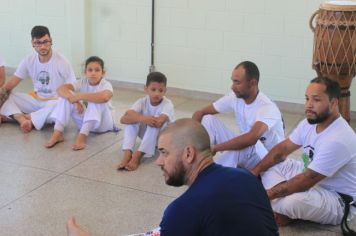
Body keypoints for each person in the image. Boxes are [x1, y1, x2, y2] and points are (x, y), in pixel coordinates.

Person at [67, 118, 279, 236]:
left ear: (188, 153)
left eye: (164, 153)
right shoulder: (246, 178)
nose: (159, 161)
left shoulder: (184, 208)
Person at [251, 77, 356, 226]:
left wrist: (264, 196)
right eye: (307, 99)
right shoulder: (310, 122)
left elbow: (307, 179)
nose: (309, 105)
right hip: (310, 176)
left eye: (316, 100)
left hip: (338, 199)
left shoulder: (339, 138)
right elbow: (282, 150)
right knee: (269, 164)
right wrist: (254, 172)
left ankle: (284, 209)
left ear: (333, 103)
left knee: (292, 202)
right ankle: (282, 210)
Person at [192, 61, 284, 170]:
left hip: (268, 159)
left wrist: (216, 148)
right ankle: (200, 162)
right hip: (249, 150)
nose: (232, 87)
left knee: (244, 143)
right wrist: (191, 139)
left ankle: (214, 175)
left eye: (237, 82)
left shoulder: (267, 107)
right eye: (233, 81)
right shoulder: (235, 97)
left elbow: (251, 138)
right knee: (207, 119)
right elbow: (200, 112)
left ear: (252, 83)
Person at [0, 25, 76, 133]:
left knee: (64, 104)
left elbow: (72, 86)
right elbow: (11, 83)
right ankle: (23, 119)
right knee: (8, 95)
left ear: (51, 41)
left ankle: (26, 118)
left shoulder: (62, 61)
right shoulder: (28, 60)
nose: (42, 46)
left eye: (45, 42)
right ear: (32, 43)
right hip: (36, 100)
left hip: (54, 102)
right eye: (38, 43)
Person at [45, 56, 115, 150]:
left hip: (102, 124)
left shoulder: (106, 84)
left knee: (96, 100)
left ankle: (82, 137)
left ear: (103, 73)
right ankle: (58, 133)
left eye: (97, 70)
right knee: (65, 97)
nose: (93, 73)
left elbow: (105, 97)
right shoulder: (82, 82)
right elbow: (60, 89)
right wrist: (75, 101)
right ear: (85, 73)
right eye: (90, 70)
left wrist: (79, 96)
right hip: (84, 122)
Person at [117, 71, 174, 171]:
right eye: (153, 89)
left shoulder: (167, 104)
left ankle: (138, 156)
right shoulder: (142, 101)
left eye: (161, 90)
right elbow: (123, 119)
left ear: (165, 91)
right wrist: (143, 118)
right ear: (146, 89)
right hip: (147, 134)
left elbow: (159, 122)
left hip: (162, 138)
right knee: (132, 121)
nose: (157, 93)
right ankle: (127, 153)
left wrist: (145, 118)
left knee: (154, 122)